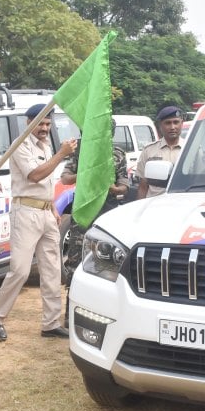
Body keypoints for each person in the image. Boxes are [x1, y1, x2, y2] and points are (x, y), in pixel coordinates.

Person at [0, 103, 77, 341]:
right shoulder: (20, 145)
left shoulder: (45, 146)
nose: (44, 128)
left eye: (48, 124)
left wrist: (53, 209)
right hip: (25, 211)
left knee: (52, 269)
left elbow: (47, 182)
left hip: (46, 211)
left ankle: (51, 322)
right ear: (29, 123)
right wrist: (61, 155)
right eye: (40, 124)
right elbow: (35, 175)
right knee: (20, 270)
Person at [59, 131, 129, 321]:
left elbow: (124, 184)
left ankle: (103, 314)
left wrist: (114, 188)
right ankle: (70, 316)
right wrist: (84, 173)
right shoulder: (80, 151)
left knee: (107, 264)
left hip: (107, 215)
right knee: (75, 263)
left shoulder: (117, 153)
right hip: (83, 215)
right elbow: (65, 178)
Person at [136, 106, 184, 199]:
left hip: (182, 203)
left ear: (182, 123)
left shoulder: (191, 149)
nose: (172, 127)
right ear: (160, 125)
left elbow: (200, 182)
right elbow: (143, 186)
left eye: (176, 122)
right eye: (168, 123)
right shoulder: (149, 150)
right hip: (154, 204)